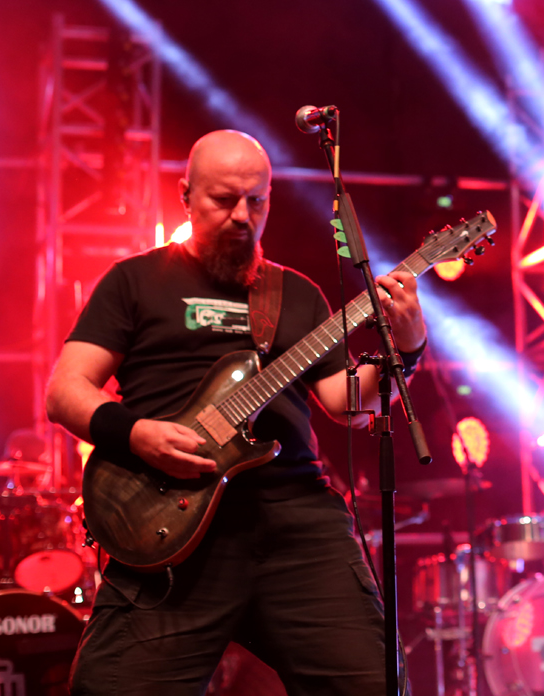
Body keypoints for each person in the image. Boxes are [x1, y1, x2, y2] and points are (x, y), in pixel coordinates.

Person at [45, 129, 427, 695]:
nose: (242, 216)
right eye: (223, 200)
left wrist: (409, 345)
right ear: (186, 195)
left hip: (295, 524)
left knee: (374, 684)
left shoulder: (296, 294)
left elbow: (346, 405)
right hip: (170, 525)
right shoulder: (135, 281)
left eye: (257, 201)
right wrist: (138, 434)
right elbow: (65, 391)